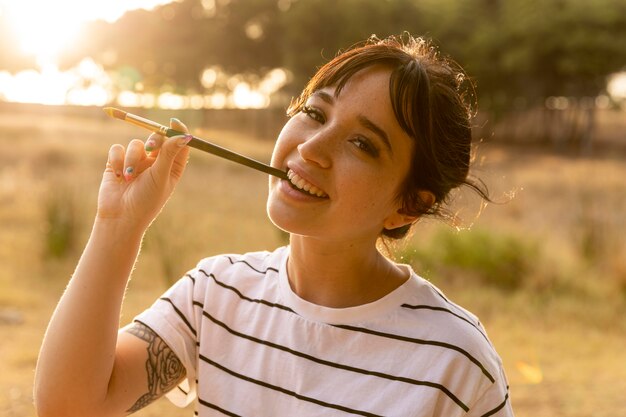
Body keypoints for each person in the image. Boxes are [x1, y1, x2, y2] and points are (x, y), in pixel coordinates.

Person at [34, 34, 514, 417]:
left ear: (408, 206)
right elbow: (70, 407)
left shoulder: (455, 362)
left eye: (363, 145)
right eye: (314, 112)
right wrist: (118, 226)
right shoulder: (216, 295)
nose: (311, 148)